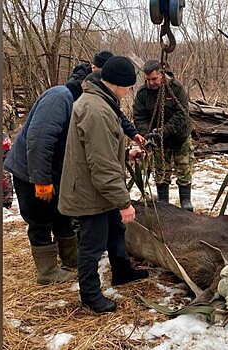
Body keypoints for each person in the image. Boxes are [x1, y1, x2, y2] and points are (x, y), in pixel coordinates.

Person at [58, 56, 149, 314]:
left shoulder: (101, 102)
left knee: (115, 231)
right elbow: (101, 165)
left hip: (99, 188)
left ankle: (121, 271)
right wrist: (124, 203)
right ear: (119, 84)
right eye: (128, 86)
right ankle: (90, 295)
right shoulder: (96, 109)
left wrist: (125, 154)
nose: (129, 91)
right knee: (92, 244)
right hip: (91, 193)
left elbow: (102, 150)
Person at [3, 70, 88, 285]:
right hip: (30, 171)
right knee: (39, 218)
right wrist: (41, 181)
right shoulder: (60, 97)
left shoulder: (75, 101)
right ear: (85, 84)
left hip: (51, 171)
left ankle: (70, 257)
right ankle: (47, 271)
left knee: (61, 214)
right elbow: (39, 141)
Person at [133, 60, 194, 211]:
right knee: (161, 172)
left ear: (162, 75)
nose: (151, 83)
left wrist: (164, 131)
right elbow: (139, 117)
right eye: (148, 80)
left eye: (154, 79)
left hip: (179, 136)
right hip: (158, 140)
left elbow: (182, 114)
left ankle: (186, 201)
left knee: (184, 169)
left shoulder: (176, 89)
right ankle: (163, 203)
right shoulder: (143, 93)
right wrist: (147, 135)